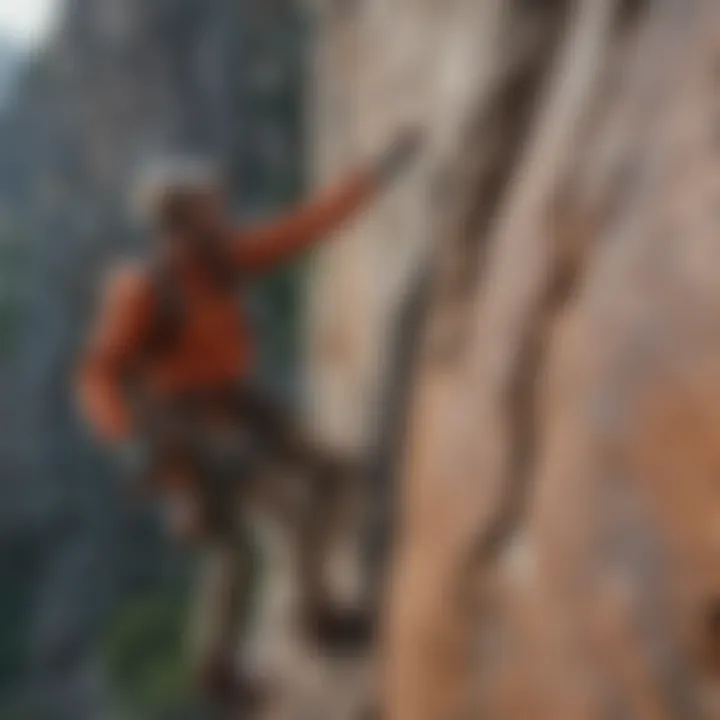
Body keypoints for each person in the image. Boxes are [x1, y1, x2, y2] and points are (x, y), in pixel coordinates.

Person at [76, 129, 423, 712]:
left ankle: (306, 616)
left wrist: (373, 177)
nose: (223, 210)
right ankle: (276, 640)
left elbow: (301, 229)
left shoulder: (221, 260)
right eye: (210, 205)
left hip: (239, 406)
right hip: (191, 431)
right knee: (257, 537)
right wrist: (130, 441)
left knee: (333, 483)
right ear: (180, 220)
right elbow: (99, 373)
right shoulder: (141, 289)